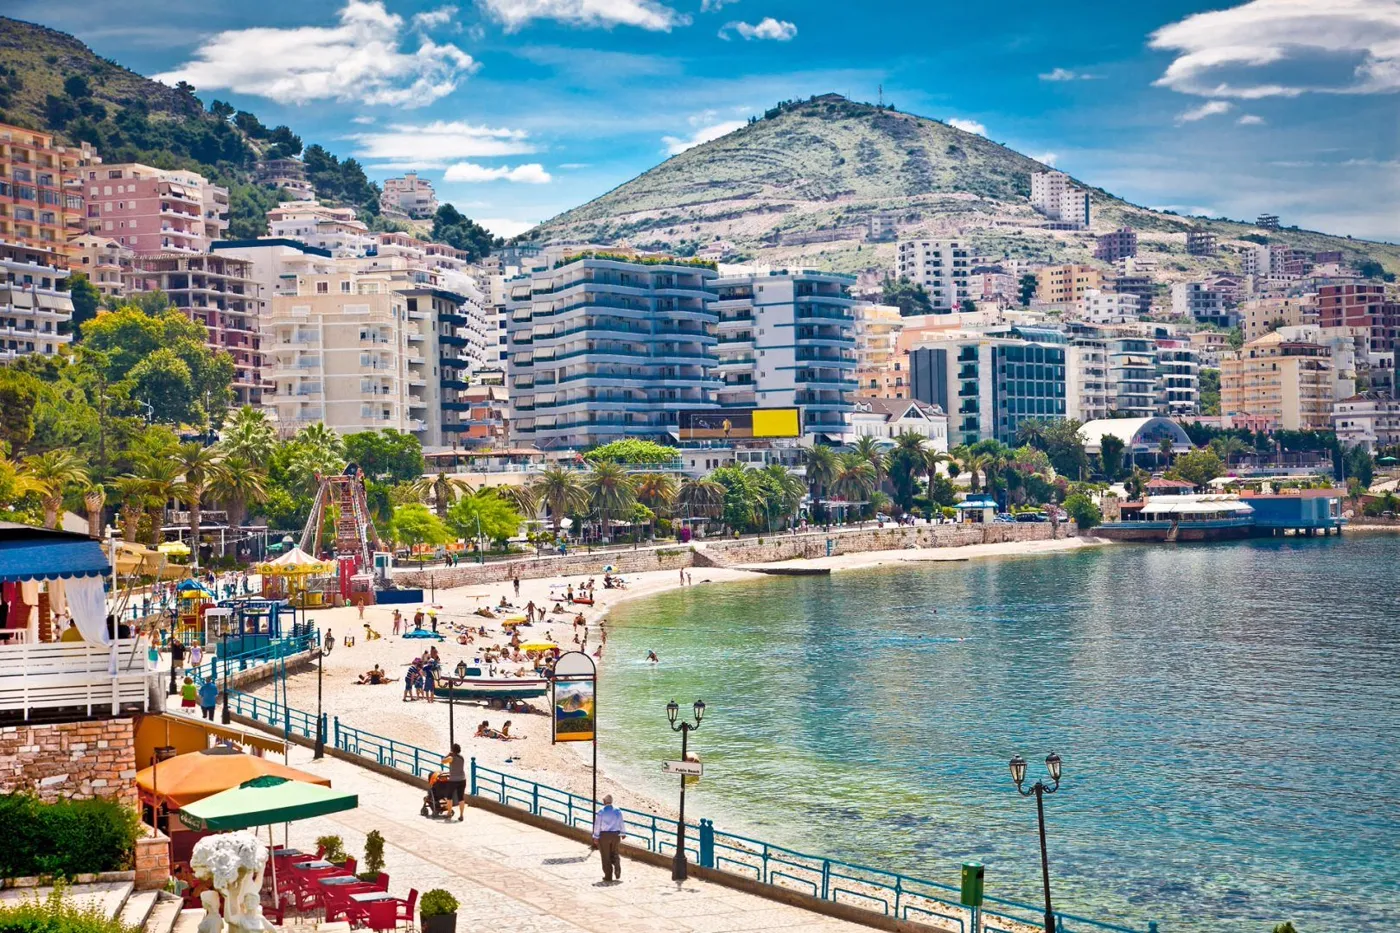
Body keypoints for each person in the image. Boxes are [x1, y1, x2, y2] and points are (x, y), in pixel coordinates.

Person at [591, 795, 625, 883]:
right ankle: (617, 867)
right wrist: (623, 833)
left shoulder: (601, 811)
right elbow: (621, 822)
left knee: (605, 856)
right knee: (615, 853)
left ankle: (608, 876)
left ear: (604, 801)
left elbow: (597, 825)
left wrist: (595, 837)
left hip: (604, 835)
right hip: (616, 835)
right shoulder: (617, 810)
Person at [442, 743, 467, 821]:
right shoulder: (462, 757)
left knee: (449, 796)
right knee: (461, 798)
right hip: (462, 779)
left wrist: (448, 755)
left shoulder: (451, 758)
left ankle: (449, 813)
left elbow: (443, 761)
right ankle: (461, 815)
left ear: (452, 750)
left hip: (453, 780)